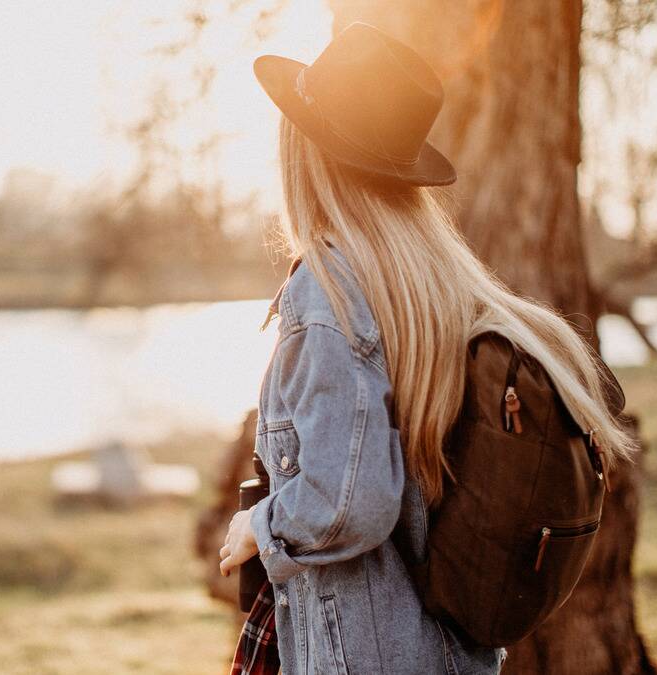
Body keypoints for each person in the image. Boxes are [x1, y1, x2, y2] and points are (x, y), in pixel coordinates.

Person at [218, 22, 635, 674]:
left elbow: (348, 504)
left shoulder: (327, 295)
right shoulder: (430, 287)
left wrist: (260, 526)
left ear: (307, 157)